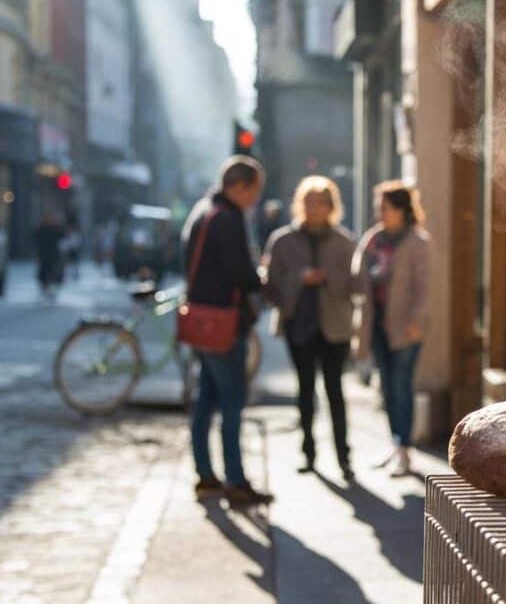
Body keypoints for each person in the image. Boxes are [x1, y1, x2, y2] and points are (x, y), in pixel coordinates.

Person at [181, 155, 274, 505]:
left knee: (206, 399)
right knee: (232, 401)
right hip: (222, 322)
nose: (255, 198)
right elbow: (240, 273)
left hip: (201, 319)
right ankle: (235, 479)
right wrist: (260, 277)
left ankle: (206, 475)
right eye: (254, 190)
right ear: (239, 186)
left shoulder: (203, 211)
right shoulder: (228, 218)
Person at [261, 176, 357, 480]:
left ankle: (344, 457)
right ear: (300, 206)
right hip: (298, 324)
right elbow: (270, 285)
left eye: (320, 203)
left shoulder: (344, 241)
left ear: (331, 207)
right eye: (309, 203)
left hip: (335, 327)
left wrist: (328, 277)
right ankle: (309, 453)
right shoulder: (283, 241)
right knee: (305, 391)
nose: (314, 209)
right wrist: (299, 278)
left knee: (335, 391)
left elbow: (355, 285)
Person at [353, 181, 430, 476]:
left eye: (384, 207)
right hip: (377, 325)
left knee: (402, 388)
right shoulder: (374, 240)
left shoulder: (417, 242)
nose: (379, 212)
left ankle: (405, 449)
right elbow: (358, 275)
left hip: (405, 328)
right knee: (386, 388)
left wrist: (415, 321)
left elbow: (423, 289)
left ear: (401, 210)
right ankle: (395, 443)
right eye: (378, 207)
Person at [34, 212, 64, 301]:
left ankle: (51, 286)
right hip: (44, 254)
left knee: (53, 270)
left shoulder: (55, 228)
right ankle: (45, 286)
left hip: (53, 253)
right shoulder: (41, 228)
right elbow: (35, 238)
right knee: (44, 270)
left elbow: (61, 236)